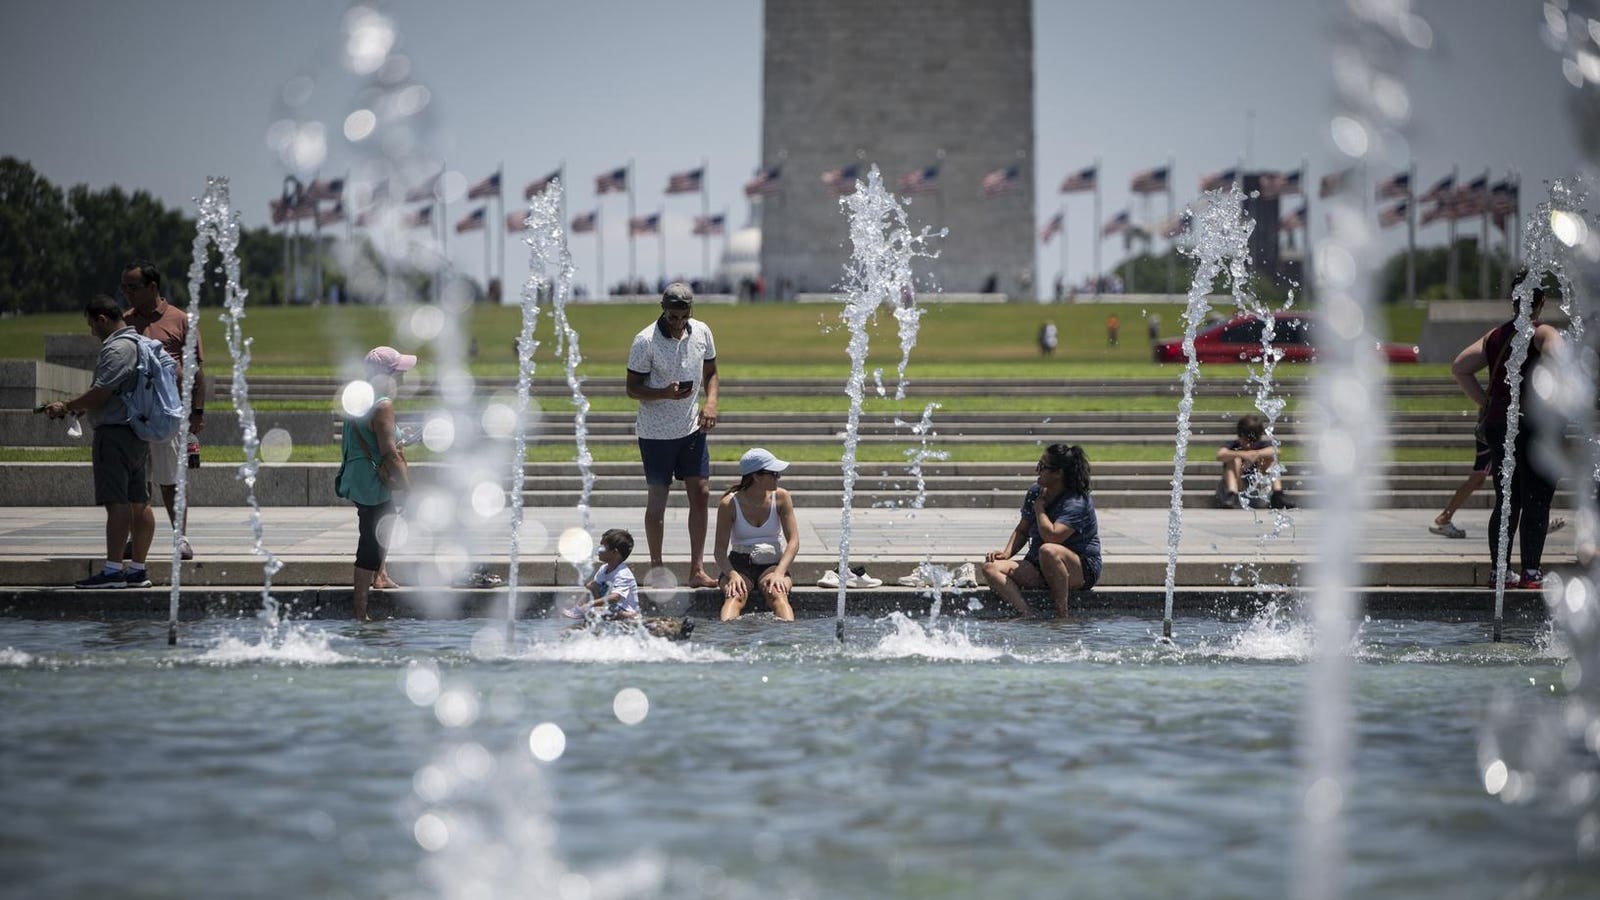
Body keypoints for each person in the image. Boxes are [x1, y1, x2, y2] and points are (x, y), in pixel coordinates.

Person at [1451, 272, 1565, 589]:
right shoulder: (1542, 333)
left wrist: (1487, 403)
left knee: (1507, 499)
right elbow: (1560, 358)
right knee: (1537, 498)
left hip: (1500, 425)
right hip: (1536, 426)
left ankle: (1499, 570)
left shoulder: (1496, 336)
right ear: (1541, 302)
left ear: (1513, 300)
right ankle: (1531, 572)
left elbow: (1459, 367)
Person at [44, 295, 157, 588]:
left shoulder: (117, 348)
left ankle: (112, 572)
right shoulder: (139, 343)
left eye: (92, 325)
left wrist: (66, 406)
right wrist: (86, 405)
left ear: (102, 319)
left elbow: (101, 392)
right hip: (137, 432)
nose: (92, 331)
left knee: (117, 503)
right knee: (140, 502)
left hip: (115, 434)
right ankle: (137, 570)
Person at [625, 282, 721, 588]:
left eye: (682, 316)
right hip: (656, 434)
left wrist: (710, 403)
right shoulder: (645, 341)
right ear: (663, 310)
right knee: (658, 500)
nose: (677, 322)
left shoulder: (702, 331)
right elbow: (632, 388)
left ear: (690, 311)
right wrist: (664, 393)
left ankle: (696, 569)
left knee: (702, 493)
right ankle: (656, 570)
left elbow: (711, 373)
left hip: (691, 428)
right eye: (671, 316)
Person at [121, 261, 205, 561]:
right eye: (124, 288)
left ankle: (180, 538)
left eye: (133, 287)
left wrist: (197, 412)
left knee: (171, 480)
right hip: (133, 414)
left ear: (152, 287)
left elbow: (196, 371)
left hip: (168, 414)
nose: (126, 293)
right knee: (137, 481)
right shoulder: (125, 322)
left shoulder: (180, 320)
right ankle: (136, 538)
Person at [980, 444, 1101, 618]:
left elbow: (1052, 537)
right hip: (1040, 565)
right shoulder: (1036, 491)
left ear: (1058, 473)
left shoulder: (1077, 501)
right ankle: (1027, 614)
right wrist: (1006, 553)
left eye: (1042, 466)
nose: (1037, 470)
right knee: (991, 568)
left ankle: (1062, 615)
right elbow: (1022, 530)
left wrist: (1040, 509)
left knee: (1048, 550)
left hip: (1080, 570)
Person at [338, 346, 415, 620]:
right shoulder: (382, 404)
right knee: (370, 543)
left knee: (384, 524)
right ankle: (360, 613)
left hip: (360, 476)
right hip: (372, 482)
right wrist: (408, 489)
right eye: (399, 371)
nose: (404, 376)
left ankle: (379, 576)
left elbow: (370, 437)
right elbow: (389, 454)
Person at [713, 448, 799, 621]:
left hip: (772, 564)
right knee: (735, 595)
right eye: (774, 474)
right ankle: (725, 638)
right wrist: (732, 575)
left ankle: (789, 636)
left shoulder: (782, 497)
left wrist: (779, 573)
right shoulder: (729, 503)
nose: (778, 477)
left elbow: (794, 541)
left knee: (778, 593)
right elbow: (719, 551)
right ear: (756, 476)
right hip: (739, 563)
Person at [1216, 414, 1294, 509]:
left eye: (1252, 441)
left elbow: (1277, 451)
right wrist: (1242, 454)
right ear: (1240, 436)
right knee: (1234, 459)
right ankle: (1232, 494)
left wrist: (1256, 454)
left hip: (1256, 486)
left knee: (1271, 460)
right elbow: (1220, 455)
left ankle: (1278, 494)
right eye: (1245, 440)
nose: (1249, 445)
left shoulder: (1261, 446)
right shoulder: (1233, 445)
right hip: (1234, 486)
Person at [564, 528, 641, 620]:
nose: (598, 550)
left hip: (623, 610)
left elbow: (615, 598)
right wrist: (581, 604)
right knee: (592, 585)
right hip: (609, 608)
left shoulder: (622, 574)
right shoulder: (604, 568)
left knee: (593, 612)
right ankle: (576, 609)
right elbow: (594, 587)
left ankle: (631, 616)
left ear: (614, 552)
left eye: (602, 547)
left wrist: (590, 604)